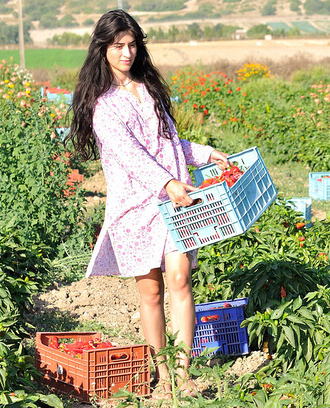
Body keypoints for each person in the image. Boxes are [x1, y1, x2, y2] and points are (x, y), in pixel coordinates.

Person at [67, 9, 229, 398]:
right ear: (102, 49)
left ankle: (183, 373)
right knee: (151, 292)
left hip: (174, 203)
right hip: (136, 208)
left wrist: (205, 155)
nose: (127, 53)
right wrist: (167, 181)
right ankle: (163, 375)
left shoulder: (150, 90)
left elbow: (169, 143)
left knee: (180, 279)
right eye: (118, 46)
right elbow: (131, 155)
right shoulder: (104, 106)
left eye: (132, 44)